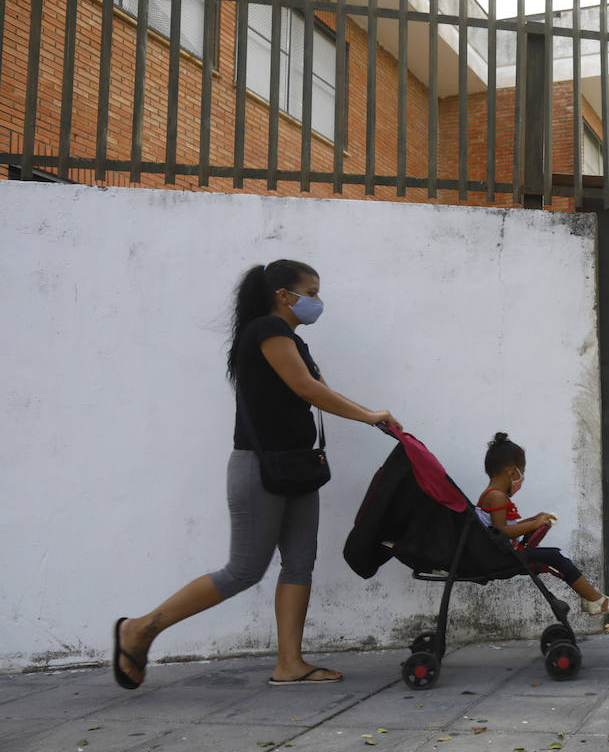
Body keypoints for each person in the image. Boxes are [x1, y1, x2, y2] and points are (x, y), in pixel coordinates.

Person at [112, 260, 401, 689]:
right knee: (244, 570)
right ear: (284, 295)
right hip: (259, 468)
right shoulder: (267, 330)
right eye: (312, 292)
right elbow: (307, 389)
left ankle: (290, 664)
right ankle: (139, 628)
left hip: (298, 465)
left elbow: (315, 389)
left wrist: (364, 412)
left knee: (301, 563)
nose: (318, 302)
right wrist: (369, 415)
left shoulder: (293, 340)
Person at [479, 432, 609, 616]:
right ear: (511, 471)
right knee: (556, 556)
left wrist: (535, 519)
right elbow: (500, 532)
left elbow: (504, 527)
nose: (521, 480)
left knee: (555, 558)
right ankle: (597, 601)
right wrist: (533, 525)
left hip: (504, 555)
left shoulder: (492, 495)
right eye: (521, 474)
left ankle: (591, 598)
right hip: (504, 558)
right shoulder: (497, 496)